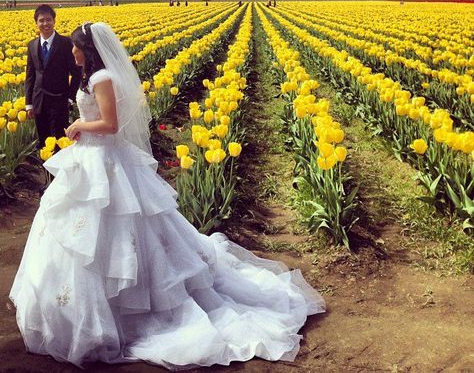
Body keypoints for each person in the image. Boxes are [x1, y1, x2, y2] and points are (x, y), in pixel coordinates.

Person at [10, 22, 325, 370]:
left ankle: (123, 312)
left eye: (76, 46)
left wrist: (80, 126)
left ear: (89, 48)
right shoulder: (89, 76)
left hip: (105, 162)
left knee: (117, 232)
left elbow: (111, 125)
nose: (72, 51)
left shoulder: (102, 79)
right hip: (90, 159)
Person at [25, 4, 81, 149]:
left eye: (48, 20)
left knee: (59, 140)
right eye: (41, 20)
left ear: (54, 21)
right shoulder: (32, 45)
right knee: (43, 142)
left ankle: (60, 171)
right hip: (39, 101)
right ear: (36, 23)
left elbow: (76, 73)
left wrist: (70, 97)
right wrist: (28, 103)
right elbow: (30, 76)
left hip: (60, 100)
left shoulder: (65, 43)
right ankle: (46, 169)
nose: (45, 24)